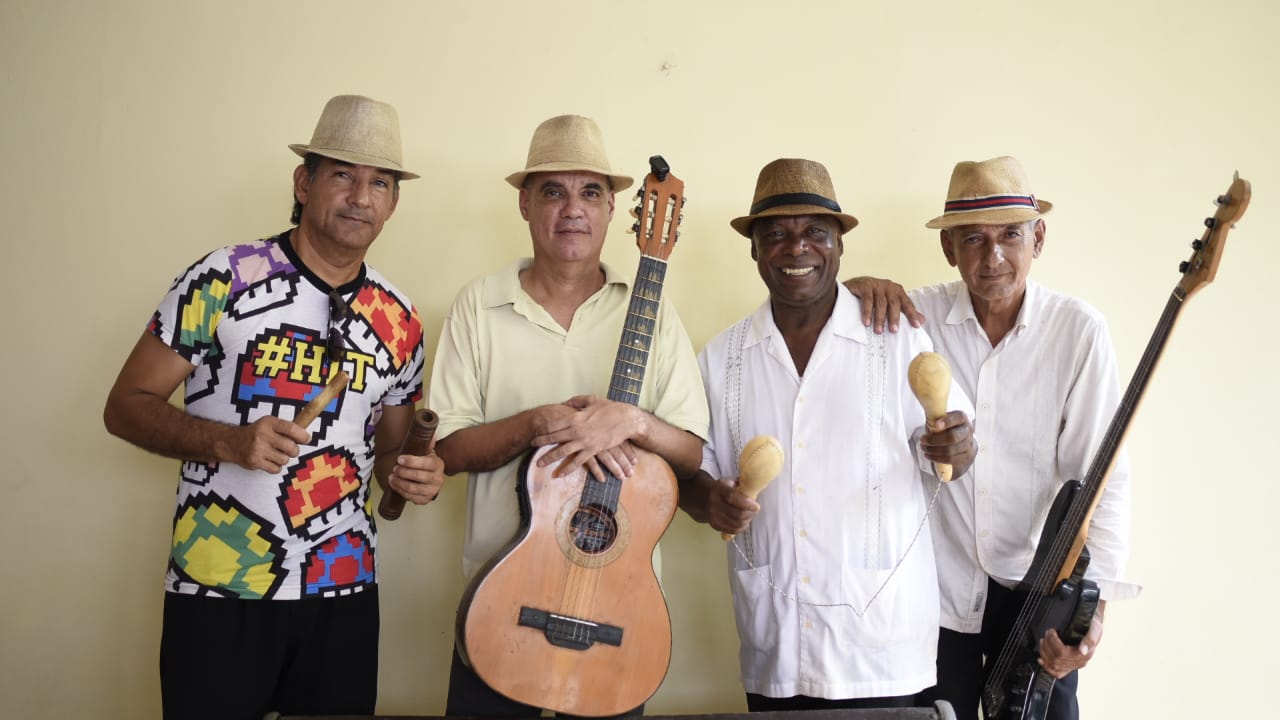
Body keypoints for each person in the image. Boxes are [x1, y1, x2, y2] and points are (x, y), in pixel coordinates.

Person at [102, 94, 445, 720]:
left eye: (380, 183)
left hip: (343, 590)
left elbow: (392, 450)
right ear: (304, 182)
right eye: (342, 174)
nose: (360, 196)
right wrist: (226, 442)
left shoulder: (399, 317)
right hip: (218, 584)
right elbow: (125, 405)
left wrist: (415, 473)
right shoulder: (223, 277)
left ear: (394, 203)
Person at [425, 114, 709, 717]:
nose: (573, 209)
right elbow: (444, 453)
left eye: (591, 193)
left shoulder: (651, 313)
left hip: (618, 613)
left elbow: (690, 452)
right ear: (526, 204)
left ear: (614, 211)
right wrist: (533, 425)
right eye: (554, 191)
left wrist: (633, 422)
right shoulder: (478, 306)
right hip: (502, 606)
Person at [679, 158, 977, 712]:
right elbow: (692, 476)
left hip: (884, 647)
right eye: (776, 234)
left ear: (840, 245)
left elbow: (953, 449)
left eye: (816, 231)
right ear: (754, 250)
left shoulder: (897, 335)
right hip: (777, 646)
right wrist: (709, 502)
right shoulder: (720, 360)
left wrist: (957, 448)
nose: (797, 248)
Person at [847, 156, 1138, 720]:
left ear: (1039, 238)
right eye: (973, 239)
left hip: (1038, 589)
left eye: (1010, 235)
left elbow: (1101, 480)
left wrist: (1092, 609)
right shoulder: (912, 318)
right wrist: (853, 289)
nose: (994, 257)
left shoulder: (1078, 332)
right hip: (934, 593)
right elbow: (834, 321)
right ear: (948, 248)